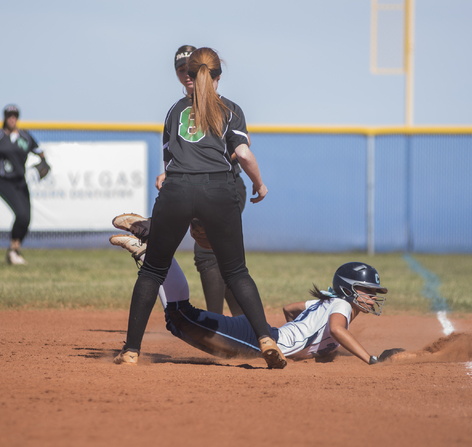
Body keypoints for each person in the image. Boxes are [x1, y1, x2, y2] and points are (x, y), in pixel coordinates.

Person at [114, 47, 285, 369]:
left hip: (177, 189)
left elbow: (168, 161)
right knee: (235, 271)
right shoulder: (230, 109)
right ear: (218, 76)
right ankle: (265, 339)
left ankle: (131, 351)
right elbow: (244, 155)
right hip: (219, 190)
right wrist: (259, 185)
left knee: (153, 270)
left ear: (189, 76)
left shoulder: (175, 110)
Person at [109, 236, 402, 366]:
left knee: (179, 321)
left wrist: (304, 339)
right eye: (367, 290)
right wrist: (370, 359)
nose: (372, 297)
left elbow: (291, 309)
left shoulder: (329, 303)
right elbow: (338, 330)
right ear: (348, 289)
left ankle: (150, 252)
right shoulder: (340, 306)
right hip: (258, 337)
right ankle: (152, 246)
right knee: (181, 317)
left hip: (263, 335)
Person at [114, 45, 245, 317]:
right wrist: (172, 171)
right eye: (180, 70)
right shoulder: (178, 110)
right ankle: (235, 327)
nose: (186, 75)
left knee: (217, 257)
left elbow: (233, 151)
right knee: (220, 260)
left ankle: (225, 325)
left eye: (190, 69)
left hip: (225, 186)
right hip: (197, 189)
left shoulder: (222, 106)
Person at [0, 104, 47, 265]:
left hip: (21, 181)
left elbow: (41, 154)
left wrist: (42, 166)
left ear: (17, 118)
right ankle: (13, 250)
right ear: (5, 117)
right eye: (9, 115)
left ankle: (14, 251)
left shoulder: (25, 137)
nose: (12, 118)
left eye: (14, 116)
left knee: (26, 219)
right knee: (21, 214)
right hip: (3, 181)